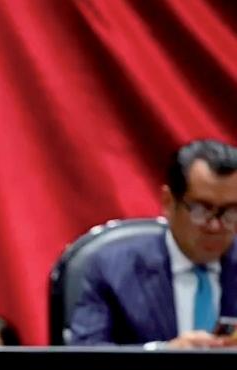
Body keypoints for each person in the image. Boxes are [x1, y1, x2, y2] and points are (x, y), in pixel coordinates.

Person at [69, 139, 237, 348]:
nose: (215, 226)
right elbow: (86, 350)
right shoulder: (112, 269)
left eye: (231, 211)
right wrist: (163, 353)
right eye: (201, 209)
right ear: (168, 202)